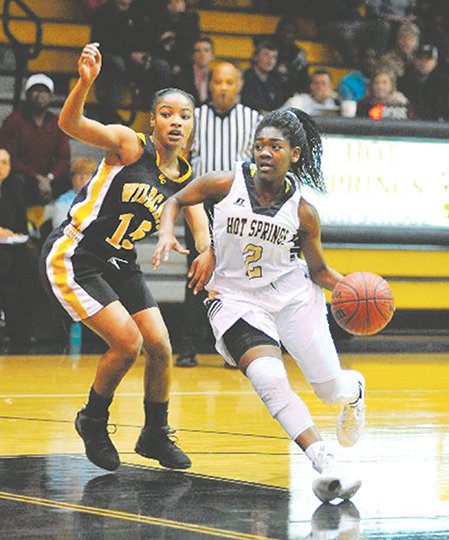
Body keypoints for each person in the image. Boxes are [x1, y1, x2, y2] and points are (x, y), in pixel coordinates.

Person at [153, 108, 366, 503]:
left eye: (275, 146)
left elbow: (318, 270)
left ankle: (354, 392)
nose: (265, 153)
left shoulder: (303, 212)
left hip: (292, 299)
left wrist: (350, 287)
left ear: (294, 155)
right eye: (259, 146)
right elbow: (177, 200)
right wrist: (175, 234)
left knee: (330, 389)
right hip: (235, 300)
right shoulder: (226, 183)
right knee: (269, 380)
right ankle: (326, 464)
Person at [39, 43, 211, 472]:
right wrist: (84, 83)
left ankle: (154, 433)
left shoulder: (184, 174)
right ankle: (92, 420)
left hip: (120, 262)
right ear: (152, 120)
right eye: (167, 113)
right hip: (77, 253)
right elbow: (69, 123)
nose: (175, 121)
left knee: (160, 346)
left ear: (191, 125)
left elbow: (199, 217)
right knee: (127, 342)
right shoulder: (128, 145)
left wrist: (205, 253)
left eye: (184, 116)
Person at [176, 61, 261, 368]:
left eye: (229, 82)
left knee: (236, 280)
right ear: (209, 85)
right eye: (218, 82)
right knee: (197, 275)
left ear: (239, 85)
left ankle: (234, 348)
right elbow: (183, 160)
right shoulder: (194, 117)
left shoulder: (253, 119)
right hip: (201, 205)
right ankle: (188, 347)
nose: (223, 87)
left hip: (238, 207)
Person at [0, 73, 71, 224]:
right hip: (24, 178)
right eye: (36, 90)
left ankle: (61, 230)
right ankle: (20, 231)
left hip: (49, 180)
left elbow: (64, 157)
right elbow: (10, 157)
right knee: (15, 181)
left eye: (44, 91)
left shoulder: (57, 122)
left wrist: (49, 178)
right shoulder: (13, 121)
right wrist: (38, 178)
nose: (40, 95)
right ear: (27, 94)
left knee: (73, 181)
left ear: (50, 96)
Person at [90, 0, 171, 122]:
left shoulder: (140, 13)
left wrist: (146, 56)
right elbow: (101, 44)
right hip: (111, 61)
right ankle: (110, 114)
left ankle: (153, 109)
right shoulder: (103, 14)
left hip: (136, 63)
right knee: (115, 63)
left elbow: (148, 38)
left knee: (162, 66)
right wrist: (129, 54)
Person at [0, 147, 39, 354]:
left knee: (32, 262)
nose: (1, 167)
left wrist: (15, 235)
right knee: (4, 264)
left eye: (5, 162)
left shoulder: (13, 189)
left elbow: (21, 227)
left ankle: (24, 331)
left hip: (11, 245)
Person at [51, 156, 99, 229]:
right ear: (72, 178)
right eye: (79, 174)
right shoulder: (63, 200)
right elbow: (59, 226)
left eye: (88, 174)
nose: (83, 178)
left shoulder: (100, 198)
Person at [241, 40, 285, 114]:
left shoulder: (276, 81)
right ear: (255, 57)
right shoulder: (244, 79)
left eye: (274, 57)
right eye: (266, 55)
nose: (270, 60)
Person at [172, 36, 215, 106]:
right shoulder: (181, 77)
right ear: (192, 55)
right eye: (198, 51)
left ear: (212, 56)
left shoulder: (216, 78)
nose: (202, 54)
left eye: (206, 50)